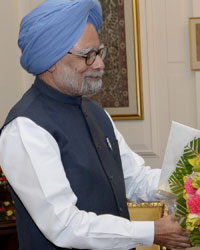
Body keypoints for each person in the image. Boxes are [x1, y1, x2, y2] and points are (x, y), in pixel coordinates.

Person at [0, 0, 191, 249]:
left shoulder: (95, 111)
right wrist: (151, 232)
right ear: (50, 61)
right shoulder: (25, 128)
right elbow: (66, 226)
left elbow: (135, 178)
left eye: (99, 52)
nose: (100, 64)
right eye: (87, 55)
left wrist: (189, 183)